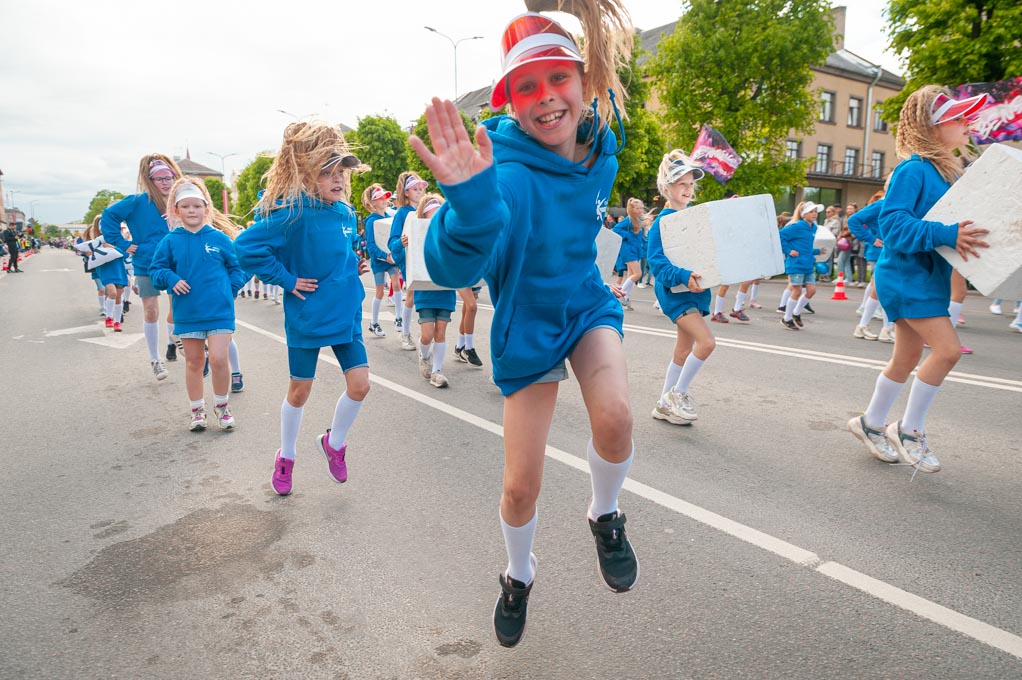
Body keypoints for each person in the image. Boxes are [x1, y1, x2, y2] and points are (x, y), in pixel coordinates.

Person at [411, 2, 639, 648]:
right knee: (519, 489)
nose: (546, 98)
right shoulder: (503, 175)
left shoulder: (603, 146)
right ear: (511, 103)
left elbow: (601, 61)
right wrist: (471, 207)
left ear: (584, 82)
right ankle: (518, 574)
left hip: (586, 307)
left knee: (616, 417)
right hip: (526, 326)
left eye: (558, 78)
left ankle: (604, 513)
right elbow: (452, 264)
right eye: (527, 87)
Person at [847, 86, 989, 473]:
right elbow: (893, 225)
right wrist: (946, 234)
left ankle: (870, 423)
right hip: (905, 276)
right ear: (933, 126)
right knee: (948, 351)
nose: (967, 123)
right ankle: (909, 431)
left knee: (907, 356)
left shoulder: (947, 173)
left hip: (926, 276)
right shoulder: (913, 170)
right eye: (958, 118)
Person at [235, 121, 371, 496]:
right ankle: (287, 455)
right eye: (327, 172)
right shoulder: (292, 214)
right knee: (299, 392)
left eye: (341, 171)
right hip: (308, 316)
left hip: (346, 312)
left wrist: (353, 264)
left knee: (361, 386)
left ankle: (334, 444)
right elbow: (245, 248)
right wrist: (287, 279)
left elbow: (338, 251)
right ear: (306, 175)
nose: (338, 179)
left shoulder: (345, 213)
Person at [149, 179, 247, 431]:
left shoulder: (220, 238)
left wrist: (229, 290)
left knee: (218, 359)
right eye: (185, 206)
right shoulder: (170, 241)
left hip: (219, 311)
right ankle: (197, 411)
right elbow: (156, 270)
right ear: (176, 210)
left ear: (206, 209)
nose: (191, 210)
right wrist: (171, 279)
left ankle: (222, 407)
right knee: (194, 361)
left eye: (196, 206)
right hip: (188, 312)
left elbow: (238, 268)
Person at [102, 155, 184, 381]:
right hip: (147, 262)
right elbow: (109, 216)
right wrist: (123, 244)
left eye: (169, 177)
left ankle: (175, 339)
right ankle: (155, 359)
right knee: (151, 310)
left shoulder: (179, 200)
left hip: (176, 262)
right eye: (159, 179)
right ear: (150, 180)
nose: (165, 182)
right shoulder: (138, 201)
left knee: (179, 306)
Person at [647, 152, 714, 424]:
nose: (688, 189)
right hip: (675, 294)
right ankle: (678, 394)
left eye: (691, 184)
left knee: (682, 351)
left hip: (695, 293)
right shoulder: (662, 223)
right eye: (681, 184)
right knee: (706, 343)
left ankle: (663, 405)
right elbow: (657, 264)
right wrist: (684, 276)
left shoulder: (693, 220)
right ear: (666, 189)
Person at [412, 193, 457, 387]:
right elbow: (401, 257)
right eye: (431, 213)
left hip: (445, 290)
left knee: (440, 332)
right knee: (427, 334)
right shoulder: (417, 234)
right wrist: (401, 244)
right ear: (423, 215)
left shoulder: (450, 233)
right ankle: (424, 355)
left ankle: (437, 371)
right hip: (425, 291)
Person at [389, 172, 428, 350]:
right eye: (415, 189)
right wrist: (401, 242)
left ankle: (425, 333)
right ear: (406, 192)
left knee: (426, 297)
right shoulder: (402, 213)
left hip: (426, 259)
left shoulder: (426, 210)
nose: (419, 192)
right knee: (411, 296)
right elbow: (392, 241)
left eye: (421, 189)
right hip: (410, 260)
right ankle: (405, 333)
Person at [778, 202, 823, 330]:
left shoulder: (813, 228)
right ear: (803, 214)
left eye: (816, 211)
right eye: (811, 211)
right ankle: (786, 318)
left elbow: (805, 247)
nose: (814, 214)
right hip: (796, 264)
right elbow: (780, 236)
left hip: (808, 264)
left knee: (811, 290)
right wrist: (788, 250)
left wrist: (817, 251)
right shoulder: (797, 226)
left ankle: (796, 313)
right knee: (797, 291)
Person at [361, 183, 397, 338]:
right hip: (379, 260)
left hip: (391, 259)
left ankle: (400, 318)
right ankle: (374, 322)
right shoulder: (371, 221)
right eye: (379, 198)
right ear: (373, 202)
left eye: (385, 197)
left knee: (396, 284)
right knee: (380, 292)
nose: (384, 200)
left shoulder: (391, 217)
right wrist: (384, 255)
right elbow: (371, 245)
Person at [612, 197, 646, 310]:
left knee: (631, 275)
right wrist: (628, 236)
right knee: (638, 274)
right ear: (632, 209)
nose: (640, 210)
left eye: (641, 207)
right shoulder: (628, 220)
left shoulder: (638, 220)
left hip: (635, 251)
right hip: (628, 251)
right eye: (638, 208)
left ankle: (626, 297)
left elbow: (641, 238)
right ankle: (620, 295)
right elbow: (616, 229)